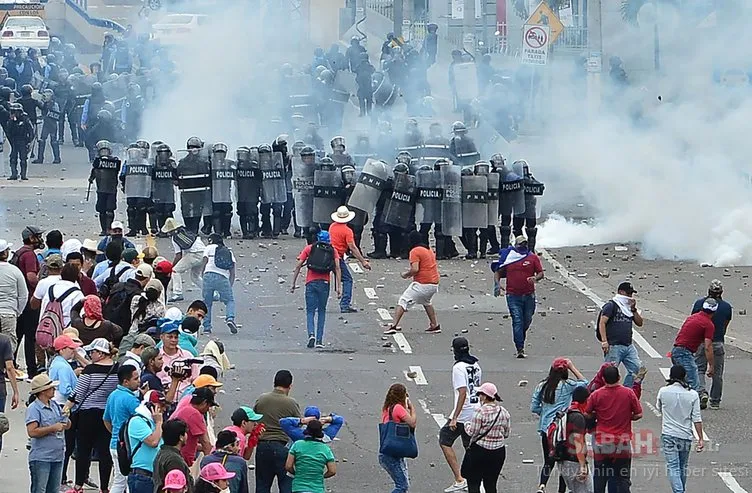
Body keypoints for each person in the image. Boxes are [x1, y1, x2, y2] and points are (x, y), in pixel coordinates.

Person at [63, 337, 119, 493]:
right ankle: (104, 487)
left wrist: (67, 406)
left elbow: (78, 393)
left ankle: (78, 485)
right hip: (107, 414)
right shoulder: (117, 369)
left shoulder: (90, 370)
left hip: (87, 414)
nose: (90, 355)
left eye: (92, 352)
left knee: (83, 450)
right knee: (104, 452)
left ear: (100, 353)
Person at [531, 358, 589, 493]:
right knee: (563, 461)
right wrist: (572, 367)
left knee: (548, 460)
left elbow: (534, 407)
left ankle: (542, 485)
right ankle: (561, 490)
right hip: (562, 429)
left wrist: (545, 414)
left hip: (546, 428)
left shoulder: (542, 386)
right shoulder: (568, 385)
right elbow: (584, 384)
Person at [585, 365, 642, 493]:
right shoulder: (628, 393)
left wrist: (598, 415)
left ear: (604, 379)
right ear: (619, 377)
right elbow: (639, 414)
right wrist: (627, 417)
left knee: (600, 476)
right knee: (622, 478)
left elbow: (587, 413)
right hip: (622, 443)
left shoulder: (596, 395)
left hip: (602, 442)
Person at [440, 337, 481, 493]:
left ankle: (460, 479)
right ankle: (476, 480)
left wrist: (455, 417)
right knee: (470, 447)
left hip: (464, 413)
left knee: (445, 439)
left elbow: (462, 392)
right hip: (476, 409)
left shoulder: (458, 368)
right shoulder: (476, 365)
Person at [492, 235, 544, 358]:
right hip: (513, 295)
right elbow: (498, 271)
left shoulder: (532, 258)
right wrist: (497, 285)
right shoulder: (509, 258)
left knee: (527, 320)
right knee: (517, 320)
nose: (523, 246)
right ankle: (520, 348)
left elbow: (541, 273)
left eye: (525, 244)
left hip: (529, 295)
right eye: (521, 244)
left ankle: (520, 337)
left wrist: (535, 278)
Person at [656, 365, 704, 493]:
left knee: (673, 466)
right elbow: (697, 418)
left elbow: (659, 408)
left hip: (668, 433)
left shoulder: (663, 391)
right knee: (682, 466)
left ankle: (679, 491)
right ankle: (680, 490)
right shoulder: (692, 394)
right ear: (684, 376)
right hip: (685, 435)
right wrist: (700, 438)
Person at [291, 230, 342, 348]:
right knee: (322, 311)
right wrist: (339, 288)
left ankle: (311, 334)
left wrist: (293, 283)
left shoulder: (310, 248)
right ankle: (319, 340)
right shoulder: (333, 250)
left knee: (310, 311)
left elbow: (299, 265)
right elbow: (337, 268)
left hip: (311, 283)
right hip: (325, 283)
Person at [384, 230, 441, 334]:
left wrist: (406, 274)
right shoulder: (428, 249)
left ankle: (393, 325)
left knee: (403, 301)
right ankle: (434, 325)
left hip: (422, 283)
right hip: (434, 283)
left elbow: (415, 269)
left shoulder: (415, 251)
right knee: (426, 302)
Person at [254, 369, 302, 493]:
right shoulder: (291, 403)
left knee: (262, 485)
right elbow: (298, 425)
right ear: (290, 385)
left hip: (263, 446)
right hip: (283, 447)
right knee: (286, 485)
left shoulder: (262, 399)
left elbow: (254, 420)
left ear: (274, 382)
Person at [461, 382, 510, 493]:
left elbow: (472, 432)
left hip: (480, 451)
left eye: (480, 394)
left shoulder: (480, 412)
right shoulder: (504, 412)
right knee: (491, 484)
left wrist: (466, 424)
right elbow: (506, 434)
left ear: (484, 396)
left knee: (474, 482)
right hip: (498, 452)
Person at [26, 373, 71, 493]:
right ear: (43, 391)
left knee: (54, 490)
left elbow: (65, 425)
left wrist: (66, 417)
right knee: (40, 489)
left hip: (57, 456)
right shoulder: (34, 408)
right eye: (51, 388)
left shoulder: (55, 405)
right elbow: (32, 431)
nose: (54, 390)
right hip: (42, 458)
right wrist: (52, 428)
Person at [597, 281, 647, 389]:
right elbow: (602, 322)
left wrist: (634, 309)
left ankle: (626, 392)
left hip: (628, 346)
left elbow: (639, 323)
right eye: (628, 294)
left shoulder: (628, 307)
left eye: (631, 294)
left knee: (638, 369)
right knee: (610, 374)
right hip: (614, 346)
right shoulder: (611, 305)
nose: (630, 297)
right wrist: (604, 341)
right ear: (621, 292)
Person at [692, 280, 731, 409]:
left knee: (699, 369)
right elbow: (725, 325)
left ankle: (701, 392)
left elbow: (694, 321)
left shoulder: (699, 304)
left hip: (701, 342)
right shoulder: (726, 307)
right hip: (718, 342)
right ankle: (715, 401)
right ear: (721, 292)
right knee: (717, 373)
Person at [103, 364, 142, 493]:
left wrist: (116, 433)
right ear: (126, 381)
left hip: (114, 444)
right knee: (124, 482)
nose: (139, 381)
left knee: (120, 480)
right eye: (135, 379)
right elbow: (143, 419)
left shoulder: (113, 395)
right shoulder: (131, 400)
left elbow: (106, 419)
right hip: (125, 447)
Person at [13, 226, 43, 379]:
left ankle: (9, 365)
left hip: (18, 300)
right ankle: (32, 369)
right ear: (31, 238)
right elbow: (31, 277)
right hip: (29, 302)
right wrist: (41, 286)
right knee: (30, 337)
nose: (39, 239)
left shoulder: (18, 253)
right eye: (37, 236)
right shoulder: (30, 255)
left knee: (17, 334)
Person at [48, 335, 79, 482]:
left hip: (57, 404)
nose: (73, 351)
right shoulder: (63, 367)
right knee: (66, 444)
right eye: (70, 348)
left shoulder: (56, 363)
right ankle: (61, 476)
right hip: (64, 406)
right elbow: (66, 389)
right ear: (62, 350)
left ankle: (61, 476)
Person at [329, 206, 371, 313]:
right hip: (337, 256)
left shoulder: (332, 227)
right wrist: (363, 261)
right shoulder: (347, 231)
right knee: (348, 280)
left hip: (328, 255)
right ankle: (345, 304)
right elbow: (352, 247)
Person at [672, 298, 716, 392]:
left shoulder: (692, 317)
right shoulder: (708, 324)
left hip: (677, 350)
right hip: (685, 353)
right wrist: (711, 365)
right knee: (693, 383)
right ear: (714, 312)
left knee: (681, 381)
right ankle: (692, 404)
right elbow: (708, 347)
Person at [125, 390, 165, 493]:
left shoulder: (153, 422)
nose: (162, 409)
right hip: (142, 477)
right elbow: (153, 442)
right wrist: (159, 422)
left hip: (155, 475)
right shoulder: (137, 421)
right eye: (159, 406)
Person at [380, 383, 417, 493]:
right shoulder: (398, 408)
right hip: (393, 455)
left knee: (404, 484)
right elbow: (412, 423)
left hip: (389, 452)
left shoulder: (387, 409)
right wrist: (411, 408)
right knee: (402, 486)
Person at [169, 387, 217, 467]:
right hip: (181, 461)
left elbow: (187, 441)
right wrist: (212, 468)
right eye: (209, 405)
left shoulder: (185, 408)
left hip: (174, 457)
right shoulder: (194, 414)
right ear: (204, 403)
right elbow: (205, 443)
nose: (208, 409)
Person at [285, 419, 336, 493]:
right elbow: (332, 471)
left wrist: (296, 474)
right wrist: (321, 477)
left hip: (299, 487)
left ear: (307, 430)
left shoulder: (297, 445)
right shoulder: (325, 449)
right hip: (317, 488)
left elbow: (288, 466)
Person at [201, 233, 237, 335]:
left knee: (207, 303)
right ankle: (230, 318)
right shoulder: (228, 251)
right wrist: (229, 285)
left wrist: (203, 274)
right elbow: (232, 272)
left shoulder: (209, 248)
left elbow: (204, 261)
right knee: (229, 300)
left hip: (208, 275)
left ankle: (207, 327)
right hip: (223, 278)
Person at [162, 218, 206, 302]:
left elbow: (178, 255)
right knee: (195, 276)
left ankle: (178, 293)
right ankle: (211, 293)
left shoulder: (174, 238)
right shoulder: (185, 230)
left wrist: (172, 267)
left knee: (175, 271)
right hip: (203, 253)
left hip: (195, 254)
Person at [0, 238, 28, 356]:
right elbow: (23, 295)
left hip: (9, 311)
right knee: (9, 347)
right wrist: (17, 311)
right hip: (8, 313)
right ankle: (6, 370)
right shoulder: (15, 271)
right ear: (5, 253)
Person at [156, 322, 200, 396]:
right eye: (170, 337)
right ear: (161, 337)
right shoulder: (157, 357)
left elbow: (196, 379)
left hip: (185, 397)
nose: (173, 340)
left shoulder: (187, 356)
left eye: (176, 337)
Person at [153, 419, 195, 493]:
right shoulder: (174, 460)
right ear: (181, 437)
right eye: (185, 433)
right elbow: (177, 488)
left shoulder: (162, 453)